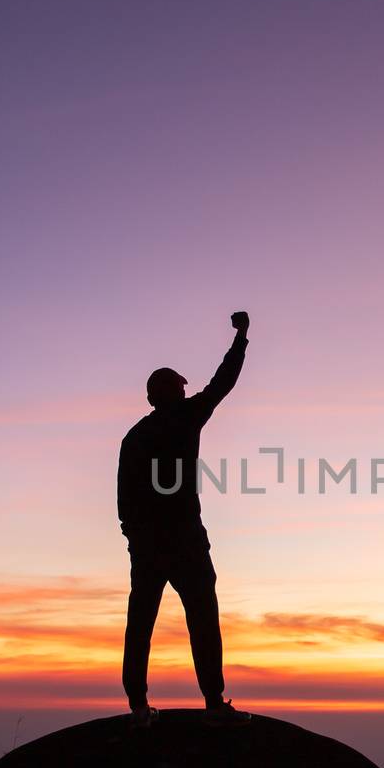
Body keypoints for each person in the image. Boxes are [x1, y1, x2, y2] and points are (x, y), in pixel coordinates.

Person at [116, 311, 253, 727]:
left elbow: (123, 499)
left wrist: (135, 538)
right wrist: (242, 337)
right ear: (172, 392)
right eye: (180, 385)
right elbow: (223, 382)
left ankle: (138, 707)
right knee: (202, 618)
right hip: (185, 542)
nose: (184, 389)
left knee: (141, 621)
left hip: (149, 546)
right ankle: (214, 703)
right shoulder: (186, 417)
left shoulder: (134, 437)